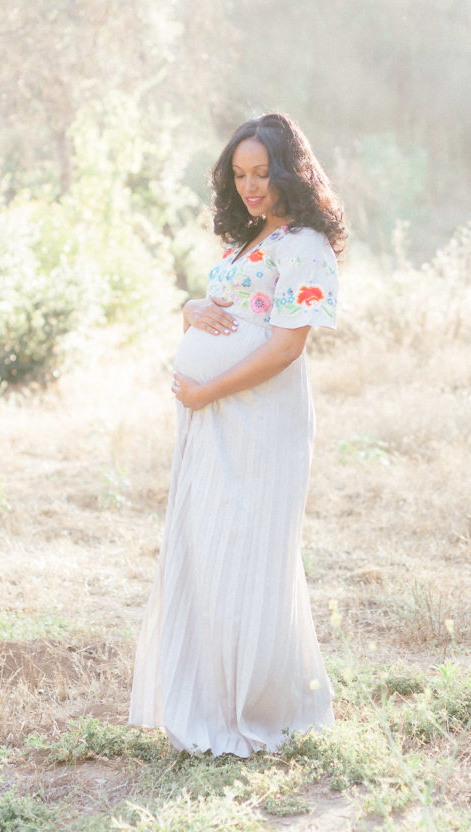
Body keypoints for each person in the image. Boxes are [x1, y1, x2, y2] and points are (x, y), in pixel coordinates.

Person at [129, 112, 346, 757]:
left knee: (247, 551)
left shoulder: (304, 244)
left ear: (291, 173)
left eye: (262, 173)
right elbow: (219, 311)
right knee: (206, 547)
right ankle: (206, 698)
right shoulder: (249, 239)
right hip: (212, 418)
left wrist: (206, 390)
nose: (250, 186)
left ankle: (253, 706)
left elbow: (285, 348)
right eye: (240, 174)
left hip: (259, 419)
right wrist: (191, 309)